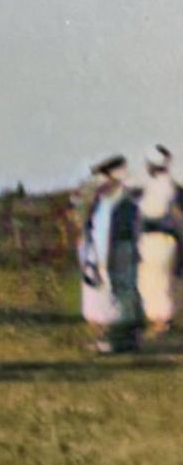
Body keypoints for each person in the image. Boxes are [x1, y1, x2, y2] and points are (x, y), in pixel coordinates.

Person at [78, 155, 144, 354]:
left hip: (117, 254)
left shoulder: (123, 202)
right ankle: (117, 340)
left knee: (119, 298)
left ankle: (120, 341)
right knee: (109, 299)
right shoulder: (101, 201)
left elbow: (121, 233)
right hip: (104, 254)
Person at [136, 145, 182, 338]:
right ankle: (160, 320)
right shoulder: (171, 187)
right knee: (158, 280)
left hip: (159, 238)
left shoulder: (156, 188)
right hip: (158, 239)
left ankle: (161, 321)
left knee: (156, 280)